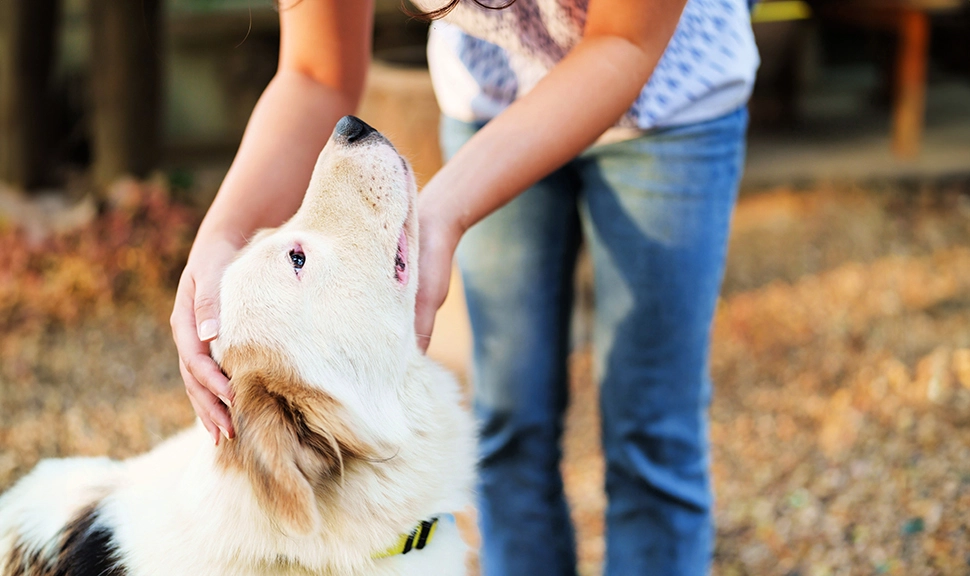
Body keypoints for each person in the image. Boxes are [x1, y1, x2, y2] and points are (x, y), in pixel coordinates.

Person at [170, 0, 758, 574]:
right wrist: (223, 231)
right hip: (492, 99)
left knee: (653, 433)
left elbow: (625, 40)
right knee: (509, 426)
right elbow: (315, 70)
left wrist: (442, 211)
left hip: (672, 98)